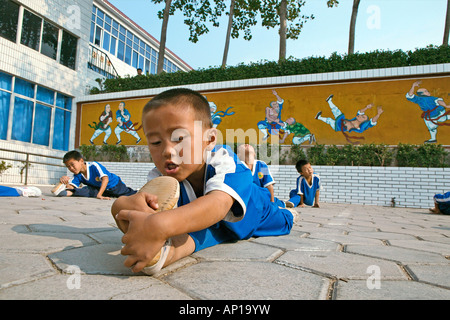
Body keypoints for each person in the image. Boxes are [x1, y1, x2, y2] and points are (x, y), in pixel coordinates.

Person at [111, 88, 298, 275]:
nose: (167, 150)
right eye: (155, 142)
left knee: (282, 220)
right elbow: (138, 207)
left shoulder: (225, 162)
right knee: (205, 231)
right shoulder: (161, 177)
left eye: (179, 138)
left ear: (210, 139)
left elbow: (217, 205)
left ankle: (286, 207)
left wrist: (159, 225)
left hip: (258, 213)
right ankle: (167, 252)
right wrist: (124, 206)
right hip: (217, 226)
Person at [51, 150, 136, 200]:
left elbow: (105, 179)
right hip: (100, 189)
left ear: (81, 161)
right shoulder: (77, 175)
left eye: (72, 165)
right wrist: (64, 181)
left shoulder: (94, 165)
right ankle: (68, 193)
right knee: (87, 190)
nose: (71, 168)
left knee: (129, 195)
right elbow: (72, 185)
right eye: (68, 167)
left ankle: (140, 193)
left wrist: (99, 195)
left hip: (115, 186)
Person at [236, 143, 285, 207]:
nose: (247, 144)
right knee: (252, 187)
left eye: (249, 145)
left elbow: (269, 185)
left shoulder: (261, 165)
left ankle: (282, 203)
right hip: (246, 198)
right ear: (238, 155)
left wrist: (272, 203)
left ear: (254, 154)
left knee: (270, 197)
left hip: (261, 195)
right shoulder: (237, 167)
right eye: (244, 145)